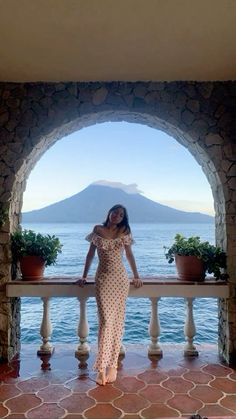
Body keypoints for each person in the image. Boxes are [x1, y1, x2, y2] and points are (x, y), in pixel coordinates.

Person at [78, 204, 142, 386]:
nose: (117, 216)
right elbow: (90, 255)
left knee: (118, 321)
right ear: (109, 213)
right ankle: (101, 368)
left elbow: (129, 255)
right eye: (115, 212)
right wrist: (84, 275)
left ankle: (112, 365)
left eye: (121, 215)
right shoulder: (97, 230)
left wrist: (136, 275)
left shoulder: (125, 231)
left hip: (121, 280)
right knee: (105, 322)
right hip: (104, 279)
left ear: (123, 218)